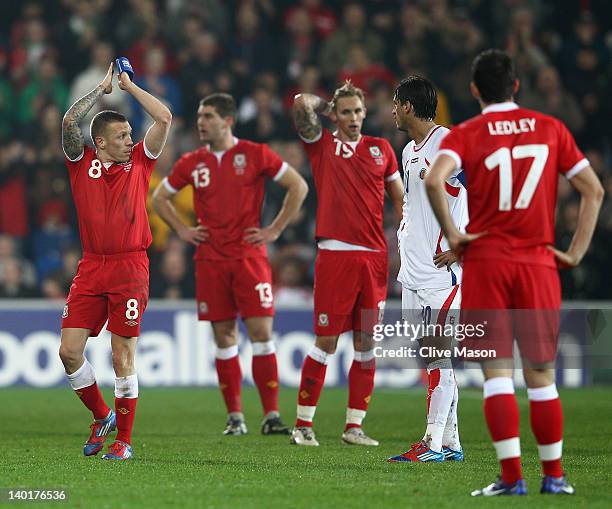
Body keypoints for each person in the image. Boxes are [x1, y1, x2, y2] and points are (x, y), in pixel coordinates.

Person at [425, 49, 603, 495]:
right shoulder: (551, 128)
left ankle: (510, 479)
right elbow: (593, 190)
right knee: (541, 376)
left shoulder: (466, 133)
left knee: (498, 374)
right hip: (538, 263)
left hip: (487, 264)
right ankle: (555, 478)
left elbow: (433, 181)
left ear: (474, 90)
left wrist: (455, 235)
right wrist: (575, 251)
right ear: (517, 86)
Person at [152, 93, 308, 436]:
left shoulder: (255, 154)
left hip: (249, 257)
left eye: (207, 116)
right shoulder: (192, 162)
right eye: (199, 116)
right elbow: (159, 197)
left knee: (261, 335)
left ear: (227, 120)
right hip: (210, 259)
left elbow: (298, 185)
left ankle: (271, 416)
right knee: (224, 337)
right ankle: (235, 417)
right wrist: (182, 229)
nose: (201, 122)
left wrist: (275, 229)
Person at [58, 61, 172, 461]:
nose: (129, 139)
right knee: (69, 352)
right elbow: (69, 124)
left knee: (122, 356)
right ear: (100, 142)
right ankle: (101, 414)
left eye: (129, 133)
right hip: (91, 266)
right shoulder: (81, 163)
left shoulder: (140, 161)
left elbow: (164, 117)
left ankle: (124, 441)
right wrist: (100, 90)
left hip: (129, 267)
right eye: (121, 136)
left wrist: (129, 86)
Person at [290, 81, 404, 446]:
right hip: (335, 255)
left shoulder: (382, 149)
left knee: (367, 342)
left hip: (374, 259)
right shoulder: (323, 144)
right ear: (335, 115)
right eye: (346, 112)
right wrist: (328, 106)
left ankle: (354, 426)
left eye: (357, 111)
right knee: (325, 341)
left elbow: (399, 198)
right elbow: (299, 103)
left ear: (365, 113)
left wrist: (404, 238)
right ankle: (303, 425)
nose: (353, 118)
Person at [387, 76, 467, 463]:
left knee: (439, 353)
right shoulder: (408, 151)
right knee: (430, 356)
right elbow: (410, 204)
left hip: (442, 272)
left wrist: (464, 240)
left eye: (394, 103)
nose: (391, 111)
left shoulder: (449, 143)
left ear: (406, 106)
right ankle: (450, 442)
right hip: (413, 270)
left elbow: (486, 193)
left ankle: (431, 442)